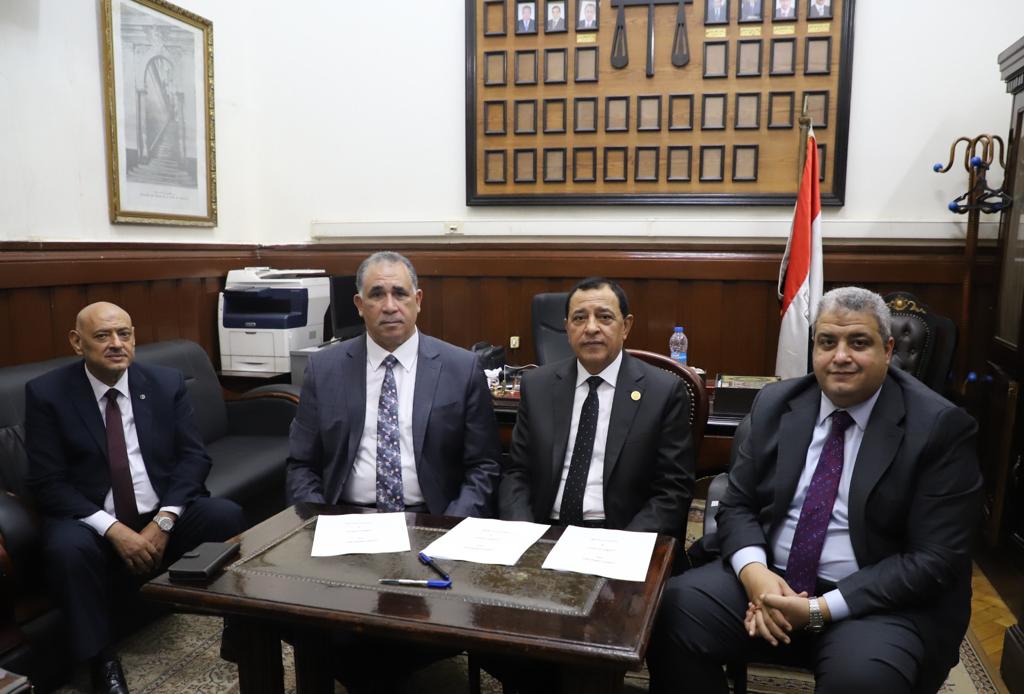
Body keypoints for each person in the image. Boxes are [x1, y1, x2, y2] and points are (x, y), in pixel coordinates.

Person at [647, 287, 982, 694]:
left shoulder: (939, 427)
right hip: (770, 579)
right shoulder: (776, 403)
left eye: (858, 342)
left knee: (862, 681)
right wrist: (756, 577)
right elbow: (737, 504)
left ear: (888, 349)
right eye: (827, 342)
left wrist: (819, 610)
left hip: (872, 602)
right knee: (669, 612)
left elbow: (934, 559)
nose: (840, 356)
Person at [286, 251, 502, 691]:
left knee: (410, 626)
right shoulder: (326, 368)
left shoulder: (460, 368)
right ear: (358, 304)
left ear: (418, 300)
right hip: (347, 521)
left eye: (400, 293)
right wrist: (318, 524)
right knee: (297, 613)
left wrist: (449, 529)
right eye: (377, 294)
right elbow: (302, 462)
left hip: (430, 523)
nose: (389, 305)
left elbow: (483, 465)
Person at [25, 302, 246, 694]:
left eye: (124, 334)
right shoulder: (48, 394)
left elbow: (193, 458)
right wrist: (113, 529)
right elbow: (49, 482)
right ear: (77, 342)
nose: (116, 343)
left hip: (157, 511)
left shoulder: (164, 383)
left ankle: (237, 625)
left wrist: (164, 520)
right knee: (67, 549)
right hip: (91, 519)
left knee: (225, 515)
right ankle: (100, 661)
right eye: (102, 335)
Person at [499, 277, 695, 538]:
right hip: (544, 530)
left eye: (604, 317)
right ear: (567, 328)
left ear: (626, 326)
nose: (591, 328)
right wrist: (522, 532)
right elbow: (516, 473)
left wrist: (623, 545)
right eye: (579, 318)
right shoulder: (537, 386)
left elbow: (673, 489)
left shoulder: (663, 392)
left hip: (620, 534)